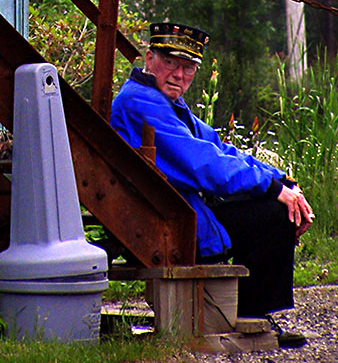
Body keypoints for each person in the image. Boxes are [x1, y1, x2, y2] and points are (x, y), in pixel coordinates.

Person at [111, 22, 314, 348]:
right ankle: (247, 315)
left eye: (188, 67)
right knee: (274, 214)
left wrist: (281, 179)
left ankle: (249, 315)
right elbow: (203, 163)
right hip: (165, 218)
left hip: (183, 211)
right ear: (149, 59)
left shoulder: (168, 104)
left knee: (277, 206)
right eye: (171, 63)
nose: (179, 74)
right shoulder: (140, 102)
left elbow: (221, 149)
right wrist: (273, 189)